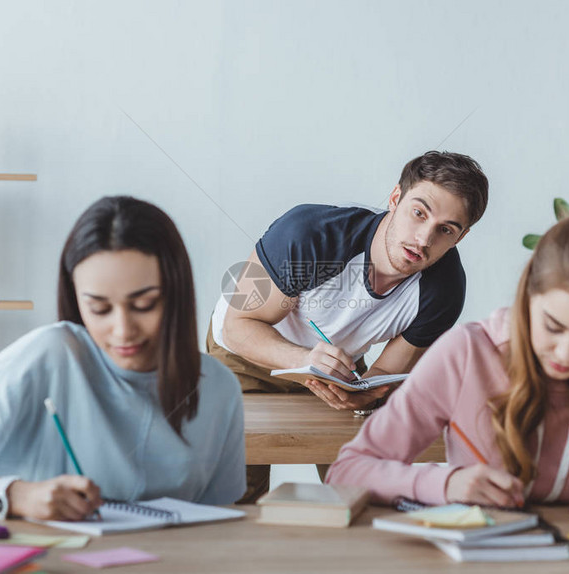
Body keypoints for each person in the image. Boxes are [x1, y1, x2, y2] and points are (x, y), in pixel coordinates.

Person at [0, 196, 246, 520]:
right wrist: (17, 495)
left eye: (144, 305)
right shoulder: (49, 355)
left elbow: (220, 523)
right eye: (99, 308)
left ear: (177, 293)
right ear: (76, 298)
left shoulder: (220, 390)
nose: (123, 330)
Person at [326, 210, 569, 521]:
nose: (566, 354)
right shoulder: (469, 352)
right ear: (527, 297)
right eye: (553, 327)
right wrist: (445, 485)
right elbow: (349, 470)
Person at [208, 150, 489, 502]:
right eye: (419, 213)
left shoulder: (444, 291)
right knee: (239, 491)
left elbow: (388, 370)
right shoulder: (307, 233)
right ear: (395, 198)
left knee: (358, 489)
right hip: (244, 356)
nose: (423, 240)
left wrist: (365, 389)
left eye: (445, 230)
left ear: (459, 238)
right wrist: (303, 359)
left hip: (335, 367)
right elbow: (238, 325)